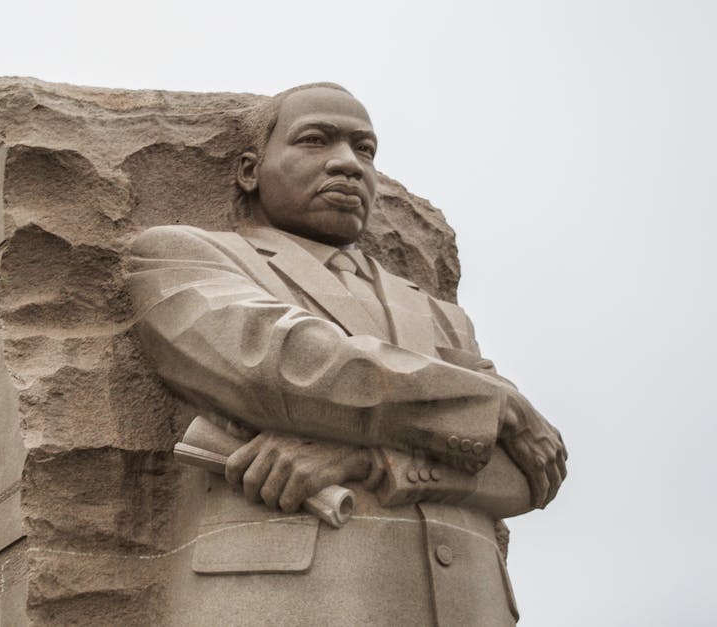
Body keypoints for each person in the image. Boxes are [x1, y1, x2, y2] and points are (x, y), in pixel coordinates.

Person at [126, 83, 567, 626]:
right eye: (316, 140)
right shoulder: (184, 255)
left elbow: (530, 474)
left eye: (365, 150)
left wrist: (370, 461)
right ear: (249, 171)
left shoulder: (439, 315)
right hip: (290, 602)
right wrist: (497, 403)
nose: (349, 164)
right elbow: (283, 364)